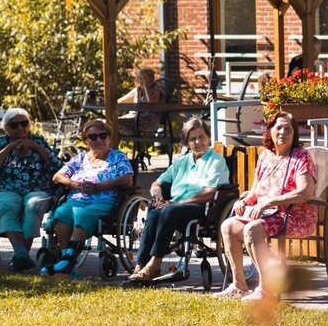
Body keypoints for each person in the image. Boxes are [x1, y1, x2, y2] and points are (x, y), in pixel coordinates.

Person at [218, 109, 317, 301]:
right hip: (266, 215)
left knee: (252, 230)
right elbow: (255, 191)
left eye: (288, 129)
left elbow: (305, 193)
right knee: (228, 226)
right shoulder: (266, 156)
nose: (283, 132)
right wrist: (244, 201)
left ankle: (266, 289)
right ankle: (239, 285)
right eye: (278, 128)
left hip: (293, 216)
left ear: (294, 134)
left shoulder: (301, 157)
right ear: (270, 130)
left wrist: (270, 202)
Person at [125, 116, 230, 285]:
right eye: (192, 139)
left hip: (202, 208)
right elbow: (157, 183)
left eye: (201, 137)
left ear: (209, 137)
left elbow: (209, 193)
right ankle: (140, 266)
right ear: (187, 143)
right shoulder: (181, 162)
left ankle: (155, 264)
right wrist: (158, 197)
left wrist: (178, 203)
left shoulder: (216, 162)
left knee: (169, 209)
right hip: (174, 208)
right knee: (155, 209)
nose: (198, 142)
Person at [41, 120, 134, 276]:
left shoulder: (118, 157)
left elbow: (127, 178)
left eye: (103, 135)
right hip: (77, 199)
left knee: (83, 214)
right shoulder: (80, 159)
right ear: (86, 141)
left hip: (103, 201)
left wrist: (101, 186)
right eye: (93, 137)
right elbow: (57, 176)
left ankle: (67, 262)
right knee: (62, 212)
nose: (99, 140)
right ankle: (66, 260)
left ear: (109, 137)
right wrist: (74, 184)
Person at [0, 108, 60, 272]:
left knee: (33, 205)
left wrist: (37, 148)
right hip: (7, 188)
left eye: (24, 123)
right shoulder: (1, 142)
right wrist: (9, 148)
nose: (20, 128)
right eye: (14, 125)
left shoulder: (38, 141)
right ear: (7, 129)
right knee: (6, 206)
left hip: (37, 188)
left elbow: (58, 166)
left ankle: (20, 256)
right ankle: (21, 254)